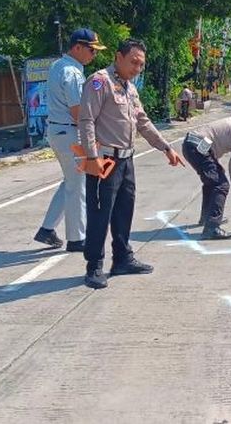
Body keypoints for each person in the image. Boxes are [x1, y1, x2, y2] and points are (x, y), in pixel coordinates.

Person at [78, 38, 185, 289]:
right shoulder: (99, 81)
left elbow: (143, 122)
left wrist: (166, 147)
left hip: (126, 159)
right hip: (103, 159)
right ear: (118, 57)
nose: (138, 68)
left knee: (124, 210)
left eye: (141, 64)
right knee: (99, 214)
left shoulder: (129, 88)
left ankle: (122, 259)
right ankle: (94, 266)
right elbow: (86, 121)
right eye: (134, 62)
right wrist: (92, 157)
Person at [33, 28, 105, 252]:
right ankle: (77, 239)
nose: (94, 55)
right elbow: (78, 112)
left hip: (59, 132)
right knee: (78, 186)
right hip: (70, 132)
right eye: (91, 50)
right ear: (77, 48)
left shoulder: (59, 66)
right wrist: (92, 137)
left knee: (70, 183)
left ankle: (47, 229)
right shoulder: (72, 73)